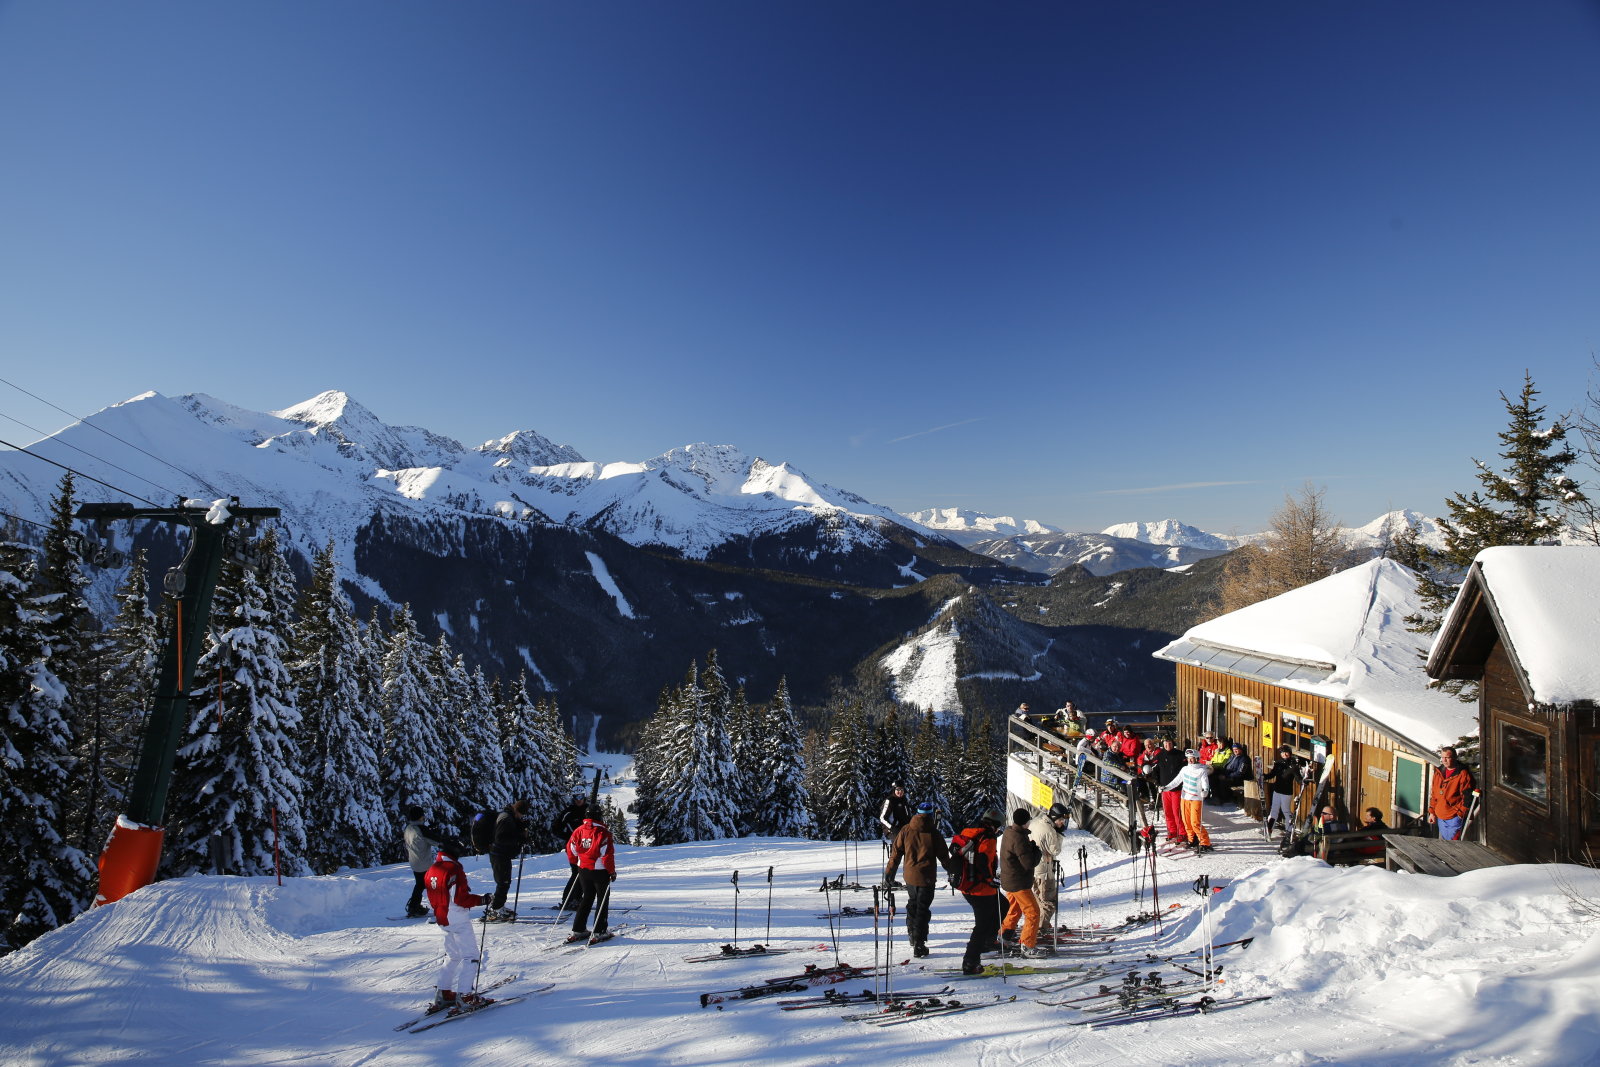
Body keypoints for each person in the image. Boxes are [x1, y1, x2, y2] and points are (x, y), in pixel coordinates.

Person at [422, 837, 491, 1014]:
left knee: (453, 955)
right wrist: (482, 900)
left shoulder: (432, 868)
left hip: (442, 916)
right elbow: (461, 898)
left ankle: (444, 993)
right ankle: (465, 996)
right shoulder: (453, 868)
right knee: (471, 956)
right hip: (456, 917)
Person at [883, 800, 950, 958]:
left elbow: (896, 853)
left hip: (910, 876)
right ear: (930, 814)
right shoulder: (934, 832)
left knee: (913, 903)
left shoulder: (906, 829)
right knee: (922, 909)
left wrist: (889, 873)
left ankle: (912, 934)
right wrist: (954, 871)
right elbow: (944, 856)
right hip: (926, 877)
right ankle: (919, 943)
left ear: (917, 813)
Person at [947, 809, 1005, 975]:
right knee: (982, 925)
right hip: (981, 889)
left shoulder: (969, 832)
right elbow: (982, 860)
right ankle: (970, 961)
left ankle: (987, 942)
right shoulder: (987, 837)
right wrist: (990, 879)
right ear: (995, 826)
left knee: (1003, 904)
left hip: (968, 885)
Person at [998, 808, 1044, 956]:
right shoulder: (1019, 837)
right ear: (1026, 822)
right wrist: (1036, 852)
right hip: (1018, 882)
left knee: (1014, 909)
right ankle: (1027, 945)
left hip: (1010, 879)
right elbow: (1028, 863)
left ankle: (1003, 936)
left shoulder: (1009, 832)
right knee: (1033, 912)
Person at [566, 814, 617, 941]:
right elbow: (607, 855)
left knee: (587, 897)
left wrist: (576, 862)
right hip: (599, 870)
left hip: (583, 869)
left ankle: (578, 929)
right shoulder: (603, 832)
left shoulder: (579, 830)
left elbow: (571, 848)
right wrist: (612, 872)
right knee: (602, 898)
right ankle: (599, 931)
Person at [1027, 803, 1069, 935]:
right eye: (1061, 820)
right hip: (1044, 870)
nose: (1062, 823)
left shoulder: (1035, 821)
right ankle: (1040, 928)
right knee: (1049, 902)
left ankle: (1035, 925)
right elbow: (1055, 850)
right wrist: (1060, 835)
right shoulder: (1050, 830)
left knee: (1037, 899)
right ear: (1055, 817)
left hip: (1032, 868)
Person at [485, 798, 531, 921]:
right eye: (521, 814)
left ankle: (498, 906)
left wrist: (520, 827)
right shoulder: (506, 818)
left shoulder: (508, 816)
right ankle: (496, 909)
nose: (522, 816)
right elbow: (501, 838)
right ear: (517, 811)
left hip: (500, 854)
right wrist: (520, 839)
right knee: (503, 882)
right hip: (499, 854)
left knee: (504, 881)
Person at [1162, 749, 1213, 852]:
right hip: (1185, 798)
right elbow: (1176, 781)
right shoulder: (1184, 769)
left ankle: (1205, 843)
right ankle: (1192, 839)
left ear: (1197, 758)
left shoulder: (1201, 771)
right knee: (1186, 822)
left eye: (1192, 758)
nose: (1190, 760)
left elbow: (1205, 784)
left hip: (1196, 799)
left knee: (1195, 822)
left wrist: (1205, 791)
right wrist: (1166, 788)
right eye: (1189, 758)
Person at [1428, 747, 1476, 841]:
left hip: (1454, 818)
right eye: (1442, 757)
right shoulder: (1438, 773)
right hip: (1441, 816)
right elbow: (1434, 795)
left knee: (1454, 848)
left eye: (1447, 757)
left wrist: (1460, 815)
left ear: (1454, 758)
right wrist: (1432, 812)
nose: (1444, 760)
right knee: (1443, 847)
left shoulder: (1463, 774)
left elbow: (1467, 797)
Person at [403, 805, 442, 918]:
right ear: (420, 817)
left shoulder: (408, 828)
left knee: (420, 885)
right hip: (425, 863)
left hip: (414, 862)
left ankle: (414, 906)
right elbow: (435, 841)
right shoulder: (421, 829)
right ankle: (440, 907)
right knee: (434, 884)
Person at [552, 793, 590, 908]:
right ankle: (568, 899)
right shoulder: (569, 812)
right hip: (573, 847)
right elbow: (556, 828)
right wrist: (569, 837)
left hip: (586, 846)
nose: (579, 800)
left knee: (585, 873)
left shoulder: (588, 810)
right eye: (576, 797)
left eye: (581, 797)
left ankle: (577, 898)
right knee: (577, 872)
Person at [1261, 746, 1303, 835]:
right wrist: (1263, 776)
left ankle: (1289, 831)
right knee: (1274, 810)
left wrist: (1303, 781)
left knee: (1286, 811)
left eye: (1286, 752)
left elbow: (1298, 779)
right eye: (1282, 753)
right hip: (1277, 790)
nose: (1284, 754)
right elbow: (1272, 774)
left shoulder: (1293, 766)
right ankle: (1269, 829)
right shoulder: (1278, 763)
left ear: (1290, 753)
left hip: (1286, 792)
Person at [1153, 739, 1187, 842]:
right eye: (1166, 743)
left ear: (1173, 744)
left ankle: (1182, 832)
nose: (1168, 745)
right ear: (1163, 744)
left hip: (1177, 788)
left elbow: (1185, 769)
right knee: (1168, 811)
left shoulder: (1180, 754)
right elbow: (1155, 770)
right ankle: (1172, 831)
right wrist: (1157, 783)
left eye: (1170, 743)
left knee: (1177, 811)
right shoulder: (1159, 755)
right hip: (1164, 788)